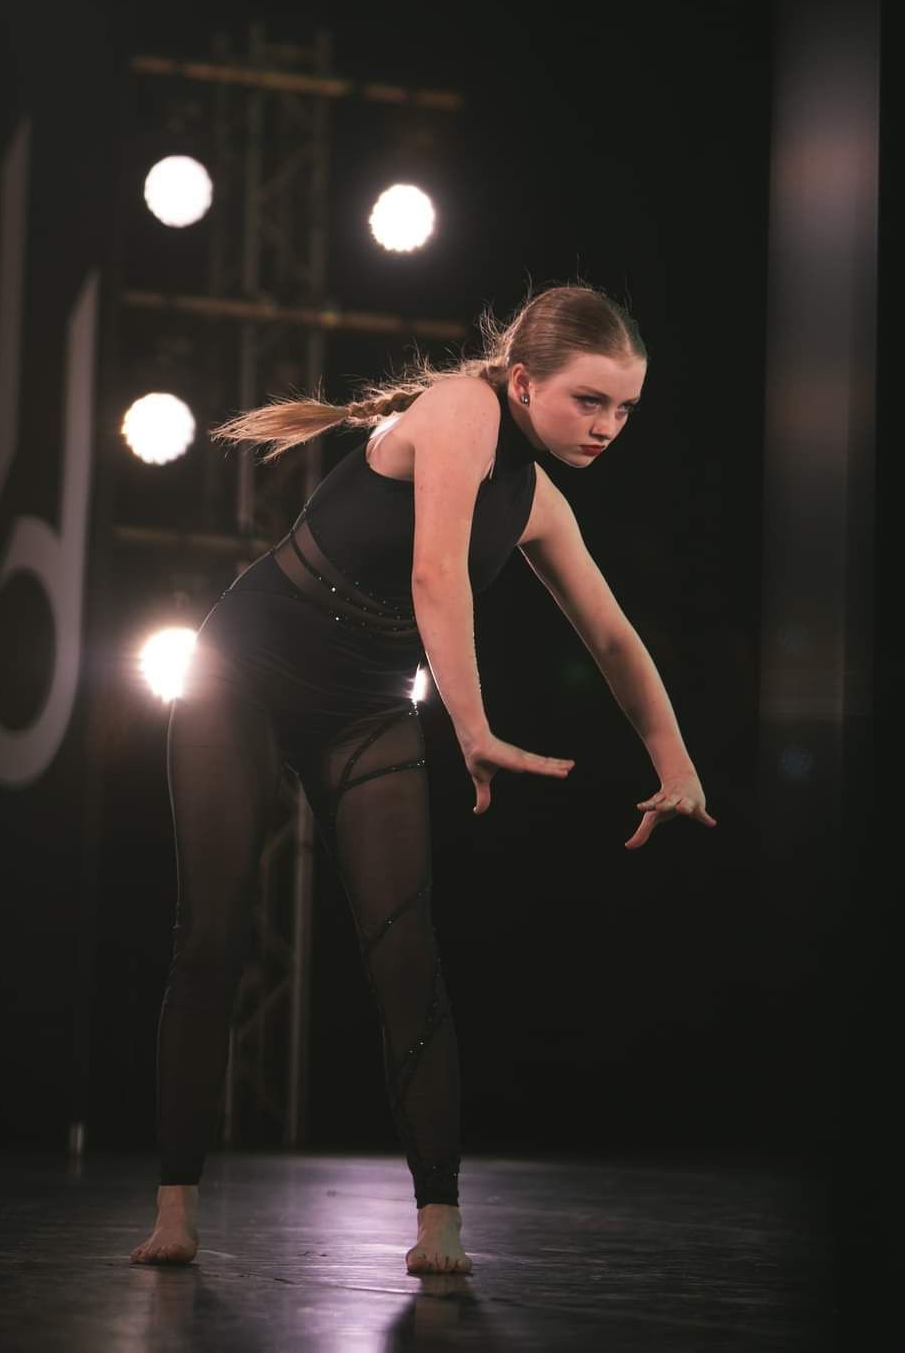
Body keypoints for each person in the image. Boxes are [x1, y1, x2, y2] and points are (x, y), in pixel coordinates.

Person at [129, 281, 715, 1274]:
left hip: (362, 708)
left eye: (626, 410)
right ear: (524, 383)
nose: (608, 426)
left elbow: (612, 636)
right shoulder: (455, 412)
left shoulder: (539, 505)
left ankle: (439, 1221)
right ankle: (175, 1210)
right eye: (589, 402)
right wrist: (473, 728)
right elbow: (433, 572)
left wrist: (677, 763)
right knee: (214, 934)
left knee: (406, 951)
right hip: (244, 677)